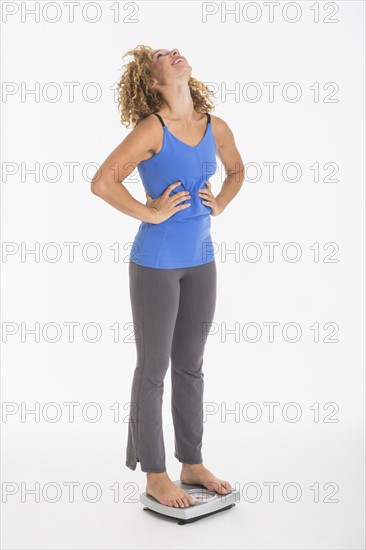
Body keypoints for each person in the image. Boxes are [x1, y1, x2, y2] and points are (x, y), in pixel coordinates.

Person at [91, 45, 245, 509]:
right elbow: (103, 182)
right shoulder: (150, 130)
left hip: (202, 260)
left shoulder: (214, 125)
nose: (174, 52)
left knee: (191, 366)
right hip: (155, 263)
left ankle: (192, 462)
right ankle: (155, 474)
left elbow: (237, 171)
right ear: (151, 79)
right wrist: (149, 213)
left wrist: (221, 202)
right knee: (153, 369)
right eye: (162, 54)